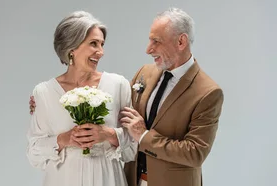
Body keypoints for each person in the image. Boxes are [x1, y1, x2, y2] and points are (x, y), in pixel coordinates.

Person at [26, 11, 137, 186]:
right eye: (93, 44)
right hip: (63, 179)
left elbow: (133, 147)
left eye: (102, 44)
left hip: (106, 178)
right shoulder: (44, 92)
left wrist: (107, 134)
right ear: (72, 48)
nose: (100, 52)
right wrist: (65, 139)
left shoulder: (118, 85)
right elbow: (34, 153)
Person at [119, 7, 224, 186]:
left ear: (181, 41)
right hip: (131, 180)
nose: (148, 49)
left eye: (156, 41)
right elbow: (124, 119)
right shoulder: (144, 72)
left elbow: (195, 153)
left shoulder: (208, 93)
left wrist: (143, 136)